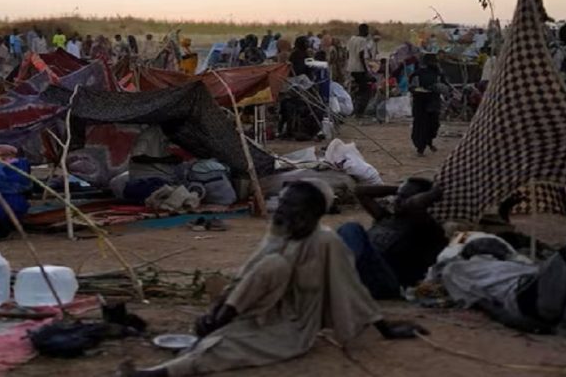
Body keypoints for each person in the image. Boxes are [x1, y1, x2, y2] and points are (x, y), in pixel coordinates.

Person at [122, 181, 424, 377]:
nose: (283, 212)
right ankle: (215, 328)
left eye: (291, 208)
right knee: (264, 274)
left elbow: (352, 289)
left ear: (311, 214)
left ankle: (156, 374)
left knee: (223, 349)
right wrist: (218, 310)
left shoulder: (326, 243)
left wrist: (386, 329)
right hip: (262, 311)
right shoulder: (280, 233)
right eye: (284, 205)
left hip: (295, 327)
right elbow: (250, 273)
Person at [442, 189, 566, 346]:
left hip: (543, 284)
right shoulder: (456, 267)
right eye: (480, 243)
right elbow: (482, 303)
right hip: (527, 300)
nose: (489, 244)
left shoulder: (515, 258)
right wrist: (515, 320)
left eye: (490, 242)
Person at [337, 178, 447, 299]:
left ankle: (340, 273)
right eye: (398, 197)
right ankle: (338, 272)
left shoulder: (426, 228)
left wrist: (434, 192)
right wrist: (399, 190)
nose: (397, 201)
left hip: (386, 283)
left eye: (405, 198)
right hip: (362, 273)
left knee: (352, 229)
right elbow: (360, 191)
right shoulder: (385, 218)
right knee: (345, 231)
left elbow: (414, 205)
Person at [409, 53, 447, 156]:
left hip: (434, 102)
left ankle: (429, 142)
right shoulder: (418, 74)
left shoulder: (439, 74)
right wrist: (417, 90)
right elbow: (412, 87)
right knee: (421, 126)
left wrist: (439, 87)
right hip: (420, 102)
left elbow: (445, 87)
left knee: (433, 125)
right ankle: (420, 148)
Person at [346, 24, 373, 116]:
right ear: (364, 30)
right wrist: (366, 71)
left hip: (351, 67)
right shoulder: (362, 40)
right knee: (366, 90)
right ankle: (359, 112)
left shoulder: (352, 39)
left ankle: (353, 108)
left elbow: (348, 53)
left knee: (358, 88)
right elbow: (361, 55)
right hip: (359, 69)